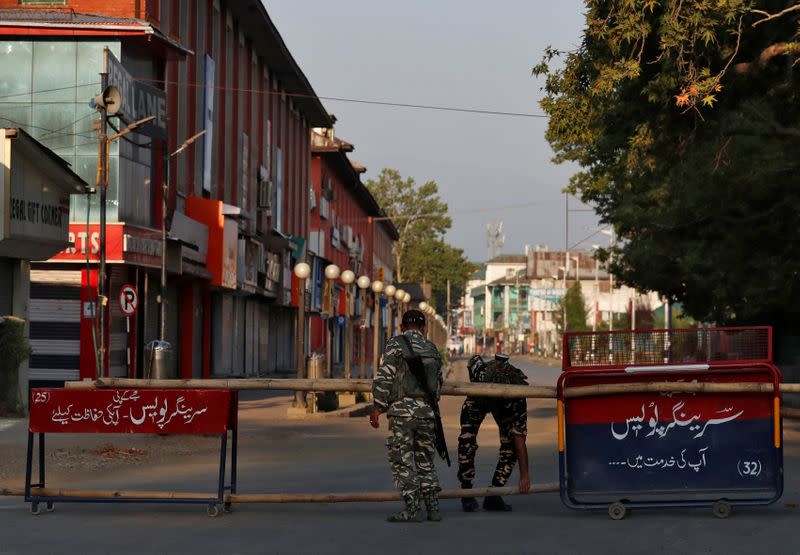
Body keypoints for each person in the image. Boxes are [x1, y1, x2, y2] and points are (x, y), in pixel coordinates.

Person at [370, 309, 444, 523]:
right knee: (426, 461)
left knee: (402, 461)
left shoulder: (396, 343)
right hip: (427, 414)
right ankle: (433, 508)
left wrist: (377, 407)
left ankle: (412, 509)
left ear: (402, 327)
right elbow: (437, 386)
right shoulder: (432, 348)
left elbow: (385, 376)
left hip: (402, 413)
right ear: (424, 328)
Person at [457, 352, 531, 512]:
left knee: (511, 448)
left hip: (505, 407)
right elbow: (473, 360)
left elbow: (520, 441)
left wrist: (525, 475)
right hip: (479, 398)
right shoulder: (481, 376)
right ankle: (466, 492)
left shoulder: (517, 396)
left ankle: (494, 494)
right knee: (466, 443)